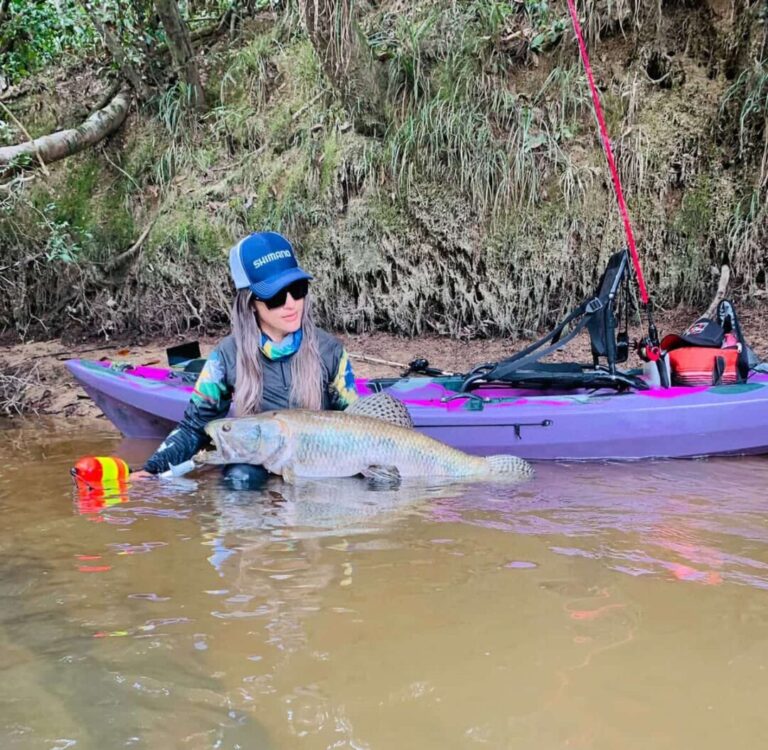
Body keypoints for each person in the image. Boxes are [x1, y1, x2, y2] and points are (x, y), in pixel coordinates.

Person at [131, 231, 358, 479]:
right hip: (256, 464)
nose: (291, 303)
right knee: (238, 478)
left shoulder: (331, 350)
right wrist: (151, 470)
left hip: (318, 462)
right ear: (250, 302)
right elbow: (194, 428)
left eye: (297, 288)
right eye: (276, 297)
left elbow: (357, 423)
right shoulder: (226, 356)